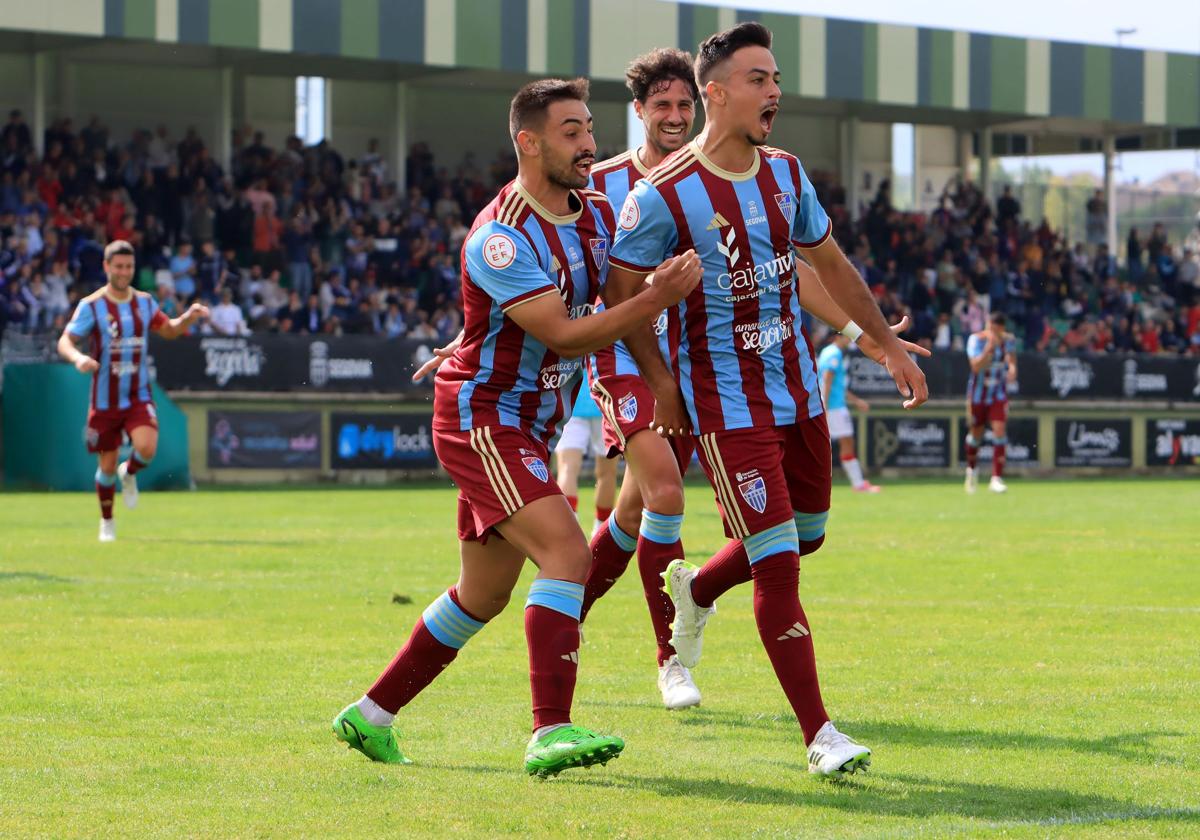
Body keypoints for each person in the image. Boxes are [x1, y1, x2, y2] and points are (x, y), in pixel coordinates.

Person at [331, 77, 701, 777]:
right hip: (485, 418)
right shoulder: (500, 236)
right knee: (568, 553)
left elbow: (607, 301)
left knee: (484, 595)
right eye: (571, 131)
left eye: (590, 128)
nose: (590, 144)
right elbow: (564, 335)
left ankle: (371, 714)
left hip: (528, 423)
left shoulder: (594, 215)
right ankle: (549, 730)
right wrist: (655, 297)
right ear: (528, 142)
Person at [605, 22, 928, 779]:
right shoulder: (662, 195)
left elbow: (834, 266)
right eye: (758, 78)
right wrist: (661, 383)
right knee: (781, 564)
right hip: (726, 410)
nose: (774, 91)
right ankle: (821, 735)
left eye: (776, 78)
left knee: (806, 536)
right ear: (716, 92)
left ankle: (700, 588)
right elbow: (621, 299)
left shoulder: (786, 173)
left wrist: (880, 341)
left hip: (797, 396)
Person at [580, 47, 703, 711]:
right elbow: (541, 246)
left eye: (685, 105)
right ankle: (672, 660)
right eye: (663, 106)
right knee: (665, 491)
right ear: (640, 112)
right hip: (623, 357)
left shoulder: (711, 180)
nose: (676, 116)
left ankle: (562, 615)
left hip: (691, 361)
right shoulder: (600, 183)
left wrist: (866, 333)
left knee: (633, 510)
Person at [56, 240, 209, 542]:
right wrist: (79, 358)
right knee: (106, 466)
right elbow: (65, 341)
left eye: (128, 267)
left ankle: (131, 472)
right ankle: (107, 521)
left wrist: (187, 318)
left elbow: (168, 330)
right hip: (104, 400)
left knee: (147, 447)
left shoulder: (144, 302)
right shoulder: (92, 305)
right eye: (119, 267)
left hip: (138, 394)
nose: (124, 272)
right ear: (107, 267)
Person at [817, 333, 880, 493]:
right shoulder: (834, 353)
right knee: (846, 444)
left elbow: (835, 385)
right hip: (834, 408)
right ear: (837, 336)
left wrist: (856, 401)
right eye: (846, 336)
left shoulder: (826, 352)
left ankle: (857, 483)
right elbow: (828, 379)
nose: (850, 339)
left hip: (832, 405)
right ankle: (858, 484)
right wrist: (824, 405)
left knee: (833, 445)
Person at [554, 383, 617, 538]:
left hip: (573, 405)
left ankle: (569, 530)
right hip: (605, 402)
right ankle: (601, 532)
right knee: (607, 472)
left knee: (567, 468)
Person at [964, 311, 1018, 494]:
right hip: (978, 395)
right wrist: (988, 348)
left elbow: (1011, 360)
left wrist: (1012, 369)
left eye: (997, 330)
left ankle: (996, 478)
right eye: (991, 329)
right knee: (976, 435)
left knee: (999, 430)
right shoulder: (976, 340)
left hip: (998, 394)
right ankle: (971, 471)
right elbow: (975, 366)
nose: (994, 333)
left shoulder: (1009, 340)